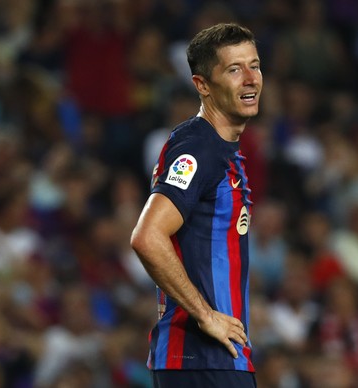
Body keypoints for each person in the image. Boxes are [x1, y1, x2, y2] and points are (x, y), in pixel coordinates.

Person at [130, 23, 262, 388]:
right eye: (234, 69)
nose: (251, 78)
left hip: (214, 360)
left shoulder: (220, 150)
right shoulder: (198, 148)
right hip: (202, 358)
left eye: (255, 65)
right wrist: (206, 315)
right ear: (202, 85)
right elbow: (147, 236)